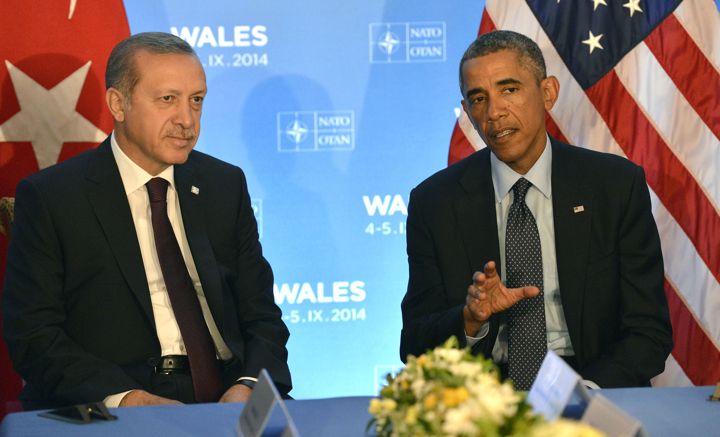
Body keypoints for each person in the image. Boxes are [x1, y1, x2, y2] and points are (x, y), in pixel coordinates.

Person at [2, 32, 291, 409]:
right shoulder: (53, 198)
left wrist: (247, 387)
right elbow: (33, 335)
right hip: (121, 397)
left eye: (196, 100)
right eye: (168, 99)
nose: (187, 120)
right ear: (118, 104)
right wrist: (127, 400)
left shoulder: (223, 185)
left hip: (227, 393)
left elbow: (262, 316)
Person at [400, 30, 672, 389]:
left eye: (509, 89)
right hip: (485, 393)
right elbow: (414, 343)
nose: (494, 112)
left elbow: (649, 331)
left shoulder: (614, 186)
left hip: (593, 382)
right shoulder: (435, 202)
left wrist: (585, 395)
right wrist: (470, 320)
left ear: (548, 93)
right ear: (467, 111)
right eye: (478, 98)